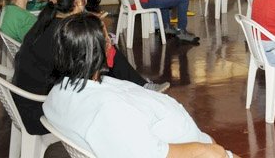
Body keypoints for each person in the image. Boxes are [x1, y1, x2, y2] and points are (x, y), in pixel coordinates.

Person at [43, 14, 237, 158]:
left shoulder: (62, 90)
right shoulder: (108, 110)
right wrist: (206, 150)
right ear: (95, 52)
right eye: (108, 39)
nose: (112, 43)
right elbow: (153, 154)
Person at [12, 0, 168, 135]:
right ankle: (142, 93)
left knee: (104, 59)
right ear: (79, 2)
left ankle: (141, 88)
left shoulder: (46, 23)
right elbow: (88, 75)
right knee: (106, 62)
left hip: (28, 103)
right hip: (43, 113)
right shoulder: (66, 34)